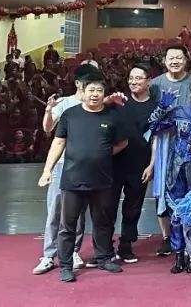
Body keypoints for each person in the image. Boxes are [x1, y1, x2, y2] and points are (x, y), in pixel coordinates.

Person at [37, 72, 128, 282]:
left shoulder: (112, 116)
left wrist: (103, 153)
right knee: (67, 225)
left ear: (104, 93)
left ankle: (103, 258)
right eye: (91, 90)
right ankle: (65, 265)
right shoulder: (70, 114)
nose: (95, 94)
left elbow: (123, 142)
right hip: (72, 179)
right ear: (83, 92)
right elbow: (58, 142)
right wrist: (47, 170)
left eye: (99, 91)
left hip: (102, 178)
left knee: (102, 221)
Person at [149, 77, 191, 274]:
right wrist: (162, 107)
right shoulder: (180, 111)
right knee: (176, 212)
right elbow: (153, 126)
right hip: (176, 169)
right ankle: (178, 253)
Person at [32, 65, 95, 275]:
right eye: (88, 82)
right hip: (62, 164)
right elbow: (47, 128)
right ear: (78, 83)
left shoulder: (95, 103)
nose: (93, 87)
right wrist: (48, 111)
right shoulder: (65, 103)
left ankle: (73, 251)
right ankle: (48, 255)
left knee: (79, 211)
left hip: (84, 165)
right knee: (55, 209)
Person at [148, 45, 191, 258]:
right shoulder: (155, 84)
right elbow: (150, 116)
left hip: (189, 141)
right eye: (171, 57)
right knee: (163, 187)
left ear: (186, 60)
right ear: (164, 60)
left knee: (189, 186)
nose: (175, 61)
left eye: (179, 57)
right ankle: (167, 236)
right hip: (164, 141)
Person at [111, 62, 157, 264]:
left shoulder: (155, 107)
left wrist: (152, 164)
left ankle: (126, 244)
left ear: (148, 81)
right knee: (107, 206)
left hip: (140, 164)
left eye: (138, 78)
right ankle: (104, 246)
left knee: (133, 207)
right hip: (114, 163)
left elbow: (157, 138)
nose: (134, 82)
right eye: (131, 78)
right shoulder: (119, 102)